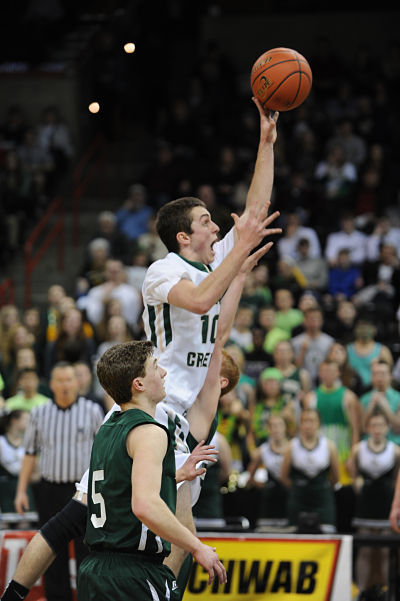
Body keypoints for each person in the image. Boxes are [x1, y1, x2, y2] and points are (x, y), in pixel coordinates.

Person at [77, 341, 227, 601]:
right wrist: (196, 546)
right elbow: (144, 505)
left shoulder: (109, 427)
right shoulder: (151, 432)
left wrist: (175, 475)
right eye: (156, 367)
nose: (164, 373)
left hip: (97, 571)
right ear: (139, 384)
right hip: (132, 574)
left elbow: (121, 488)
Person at [14, 362, 104, 601]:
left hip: (83, 492)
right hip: (50, 490)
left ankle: (88, 597)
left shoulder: (92, 410)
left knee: (88, 551)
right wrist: (21, 490)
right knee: (51, 551)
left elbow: (104, 452)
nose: (65, 385)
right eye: (60, 380)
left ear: (77, 382)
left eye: (69, 380)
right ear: (51, 384)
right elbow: (30, 453)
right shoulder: (39, 413)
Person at [348, 410, 400, 593]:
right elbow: (353, 477)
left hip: (385, 504)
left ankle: (384, 592)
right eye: (373, 425)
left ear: (387, 428)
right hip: (366, 505)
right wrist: (360, 489)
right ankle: (361, 591)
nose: (377, 429)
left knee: (385, 551)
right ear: (368, 428)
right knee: (365, 550)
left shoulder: (395, 451)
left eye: (380, 425)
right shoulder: (358, 449)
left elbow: (396, 479)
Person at [281, 408, 340, 533]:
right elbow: (284, 477)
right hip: (298, 500)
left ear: (318, 423)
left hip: (322, 500)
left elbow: (336, 478)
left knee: (326, 540)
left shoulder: (329, 446)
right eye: (305, 421)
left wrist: (321, 487)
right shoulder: (291, 446)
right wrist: (299, 487)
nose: (308, 425)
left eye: (312, 421)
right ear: (300, 424)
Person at [303, 359, 361, 485]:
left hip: (343, 453)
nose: (328, 374)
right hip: (319, 453)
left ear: (338, 373)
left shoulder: (348, 397)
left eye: (331, 371)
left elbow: (355, 429)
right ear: (319, 373)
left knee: (343, 490)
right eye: (325, 371)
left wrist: (352, 457)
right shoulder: (311, 398)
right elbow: (305, 428)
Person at [246, 414, 290, 529]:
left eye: (279, 425)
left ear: (285, 427)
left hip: (288, 497)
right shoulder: (263, 450)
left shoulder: (293, 447)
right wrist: (262, 485)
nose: (276, 430)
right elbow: (250, 476)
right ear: (268, 429)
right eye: (273, 426)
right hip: (270, 497)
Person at [0, 410, 34, 513]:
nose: (29, 422)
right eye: (26, 419)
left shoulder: (28, 442)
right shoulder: (1, 442)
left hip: (24, 485)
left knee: (26, 520)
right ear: (15, 421)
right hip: (5, 487)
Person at [291, 306, 334, 386]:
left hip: (323, 383)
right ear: (305, 321)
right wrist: (303, 351)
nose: (314, 321)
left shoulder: (329, 342)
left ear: (322, 321)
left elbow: (331, 366)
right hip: (302, 383)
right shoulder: (295, 342)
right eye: (311, 318)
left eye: (317, 318)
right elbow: (294, 369)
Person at [346, 318, 393, 392]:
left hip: (375, 390)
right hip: (351, 390)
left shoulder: (383, 350)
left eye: (367, 328)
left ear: (374, 330)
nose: (364, 331)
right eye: (361, 328)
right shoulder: (347, 349)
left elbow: (389, 375)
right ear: (355, 330)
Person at [360, 361, 400, 445]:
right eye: (376, 374)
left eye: (383, 374)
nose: (379, 378)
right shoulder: (364, 399)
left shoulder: (398, 398)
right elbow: (362, 429)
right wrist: (370, 406)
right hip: (369, 445)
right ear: (372, 377)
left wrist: (385, 406)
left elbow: (397, 428)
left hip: (394, 445)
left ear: (390, 376)